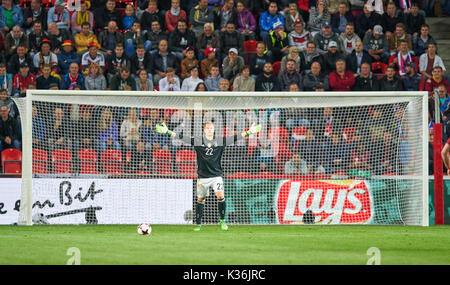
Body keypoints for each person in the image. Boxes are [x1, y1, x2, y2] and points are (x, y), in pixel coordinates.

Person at [155, 120, 262, 231]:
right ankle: (198, 224)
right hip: (203, 177)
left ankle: (222, 221)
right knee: (201, 200)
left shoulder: (220, 141)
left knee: (220, 196)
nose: (210, 130)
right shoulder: (198, 141)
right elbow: (182, 137)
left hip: (217, 175)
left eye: (211, 128)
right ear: (204, 130)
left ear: (214, 130)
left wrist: (249, 132)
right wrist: (167, 131)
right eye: (208, 128)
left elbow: (235, 138)